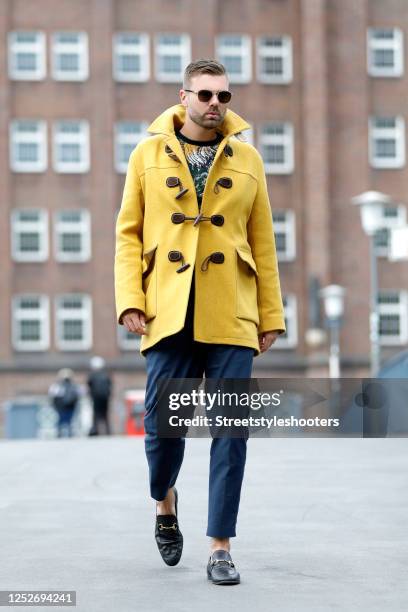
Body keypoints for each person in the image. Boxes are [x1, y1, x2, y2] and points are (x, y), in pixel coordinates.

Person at [114, 58, 286, 585]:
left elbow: (264, 242)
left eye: (224, 97)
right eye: (206, 95)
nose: (215, 105)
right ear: (184, 96)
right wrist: (129, 299)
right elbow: (129, 236)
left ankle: (220, 545)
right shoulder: (146, 155)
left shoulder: (249, 159)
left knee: (232, 431)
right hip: (167, 310)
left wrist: (270, 314)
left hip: (231, 312)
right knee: (164, 429)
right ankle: (164, 503)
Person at [48, 369, 79, 438]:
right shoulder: (73, 386)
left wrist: (54, 406)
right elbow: (77, 395)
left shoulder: (57, 386)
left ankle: (59, 433)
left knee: (60, 420)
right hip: (71, 406)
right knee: (69, 420)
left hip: (61, 407)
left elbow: (53, 396)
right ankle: (70, 433)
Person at [87, 356, 112, 436]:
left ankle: (95, 430)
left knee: (96, 414)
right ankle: (108, 431)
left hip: (96, 398)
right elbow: (110, 385)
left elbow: (89, 385)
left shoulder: (92, 375)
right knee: (105, 415)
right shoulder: (106, 375)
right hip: (105, 398)